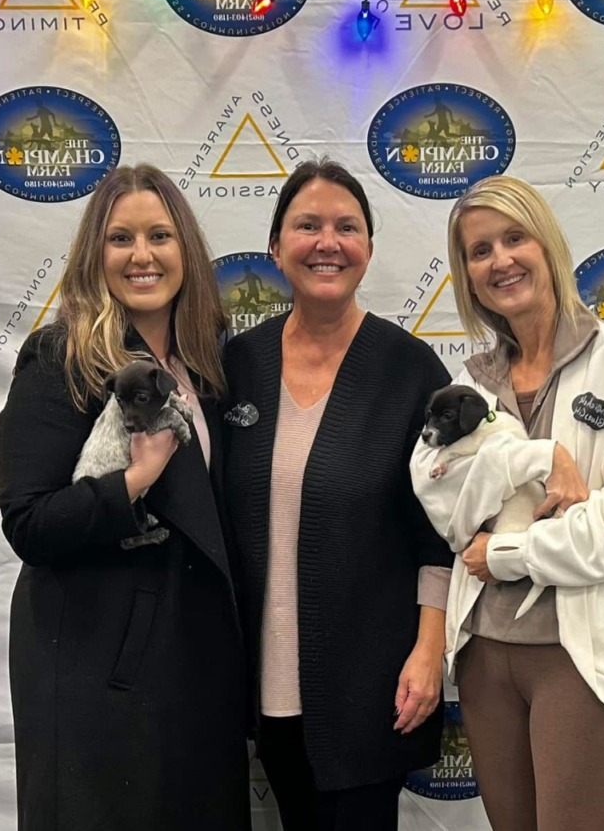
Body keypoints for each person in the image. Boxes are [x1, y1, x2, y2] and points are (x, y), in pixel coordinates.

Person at [410, 175, 604, 831]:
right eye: (479, 250)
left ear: (546, 244)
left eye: (513, 238)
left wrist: (505, 552)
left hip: (580, 655)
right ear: (466, 274)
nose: (500, 260)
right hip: (484, 653)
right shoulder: (470, 381)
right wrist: (534, 461)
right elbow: (445, 504)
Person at [0, 165, 248, 831]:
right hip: (94, 664)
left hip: (192, 667)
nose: (143, 255)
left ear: (185, 251)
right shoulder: (61, 358)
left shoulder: (205, 368)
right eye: (121, 239)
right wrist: (132, 483)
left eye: (160, 235)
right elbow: (29, 522)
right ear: (95, 255)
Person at [223, 158, 453, 831]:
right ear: (276, 248)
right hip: (265, 686)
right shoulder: (239, 366)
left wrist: (427, 650)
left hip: (371, 683)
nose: (328, 242)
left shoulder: (410, 369)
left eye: (347, 227)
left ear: (369, 250)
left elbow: (438, 529)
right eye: (307, 225)